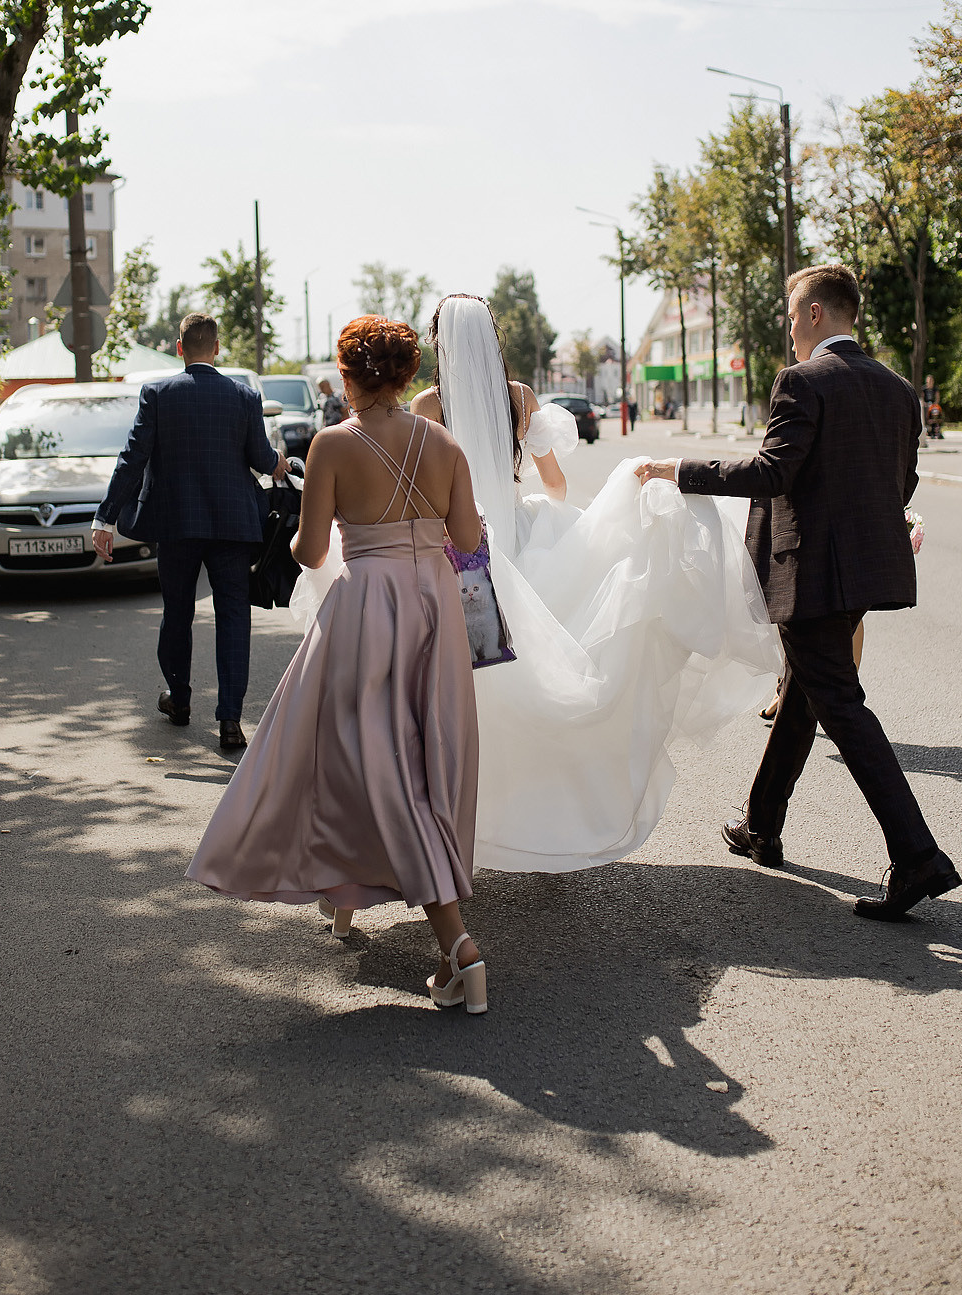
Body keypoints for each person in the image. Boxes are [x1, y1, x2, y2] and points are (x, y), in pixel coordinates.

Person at [294, 293, 777, 874]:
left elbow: (416, 485)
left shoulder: (427, 405)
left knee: (455, 690)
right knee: (533, 670)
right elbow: (558, 488)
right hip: (515, 538)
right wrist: (531, 515)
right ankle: (543, 809)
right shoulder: (521, 398)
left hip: (457, 549)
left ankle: (447, 821)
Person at [636, 262, 962, 921]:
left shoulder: (803, 381)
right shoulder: (897, 388)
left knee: (839, 704)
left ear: (816, 314)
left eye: (790, 317)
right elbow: (902, 482)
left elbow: (771, 471)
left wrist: (678, 470)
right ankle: (761, 825)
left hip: (812, 572)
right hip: (865, 572)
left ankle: (919, 856)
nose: (788, 331)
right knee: (803, 697)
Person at [187, 316, 489, 1013]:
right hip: (436, 610)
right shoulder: (444, 443)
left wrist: (305, 528)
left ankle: (457, 942)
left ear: (351, 376)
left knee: (367, 759)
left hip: (367, 610)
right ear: (406, 374)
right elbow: (469, 538)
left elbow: (313, 552)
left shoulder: (332, 444)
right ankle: (352, 893)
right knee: (421, 760)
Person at [93, 311, 287, 751]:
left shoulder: (158, 394)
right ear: (216, 348)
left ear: (179, 348)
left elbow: (132, 458)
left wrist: (105, 517)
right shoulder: (243, 396)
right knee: (234, 618)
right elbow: (259, 457)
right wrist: (278, 461)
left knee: (177, 613)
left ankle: (179, 700)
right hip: (233, 526)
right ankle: (231, 722)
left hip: (176, 525)